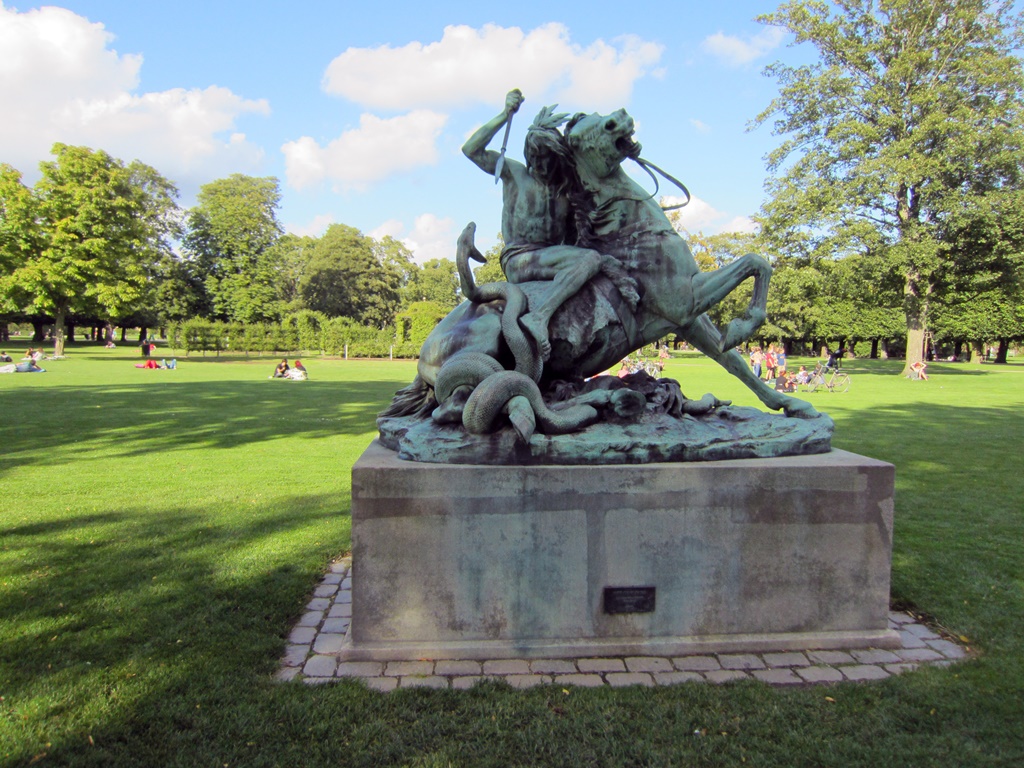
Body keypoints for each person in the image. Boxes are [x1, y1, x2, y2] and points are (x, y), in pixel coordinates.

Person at [462, 90, 638, 361]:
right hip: (520, 258)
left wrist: (625, 150)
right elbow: (471, 149)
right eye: (536, 156)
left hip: (551, 259)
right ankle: (539, 317)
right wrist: (504, 114)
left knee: (594, 260)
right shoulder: (514, 173)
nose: (541, 164)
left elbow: (603, 179)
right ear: (528, 153)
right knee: (591, 259)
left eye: (548, 158)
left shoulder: (566, 192)